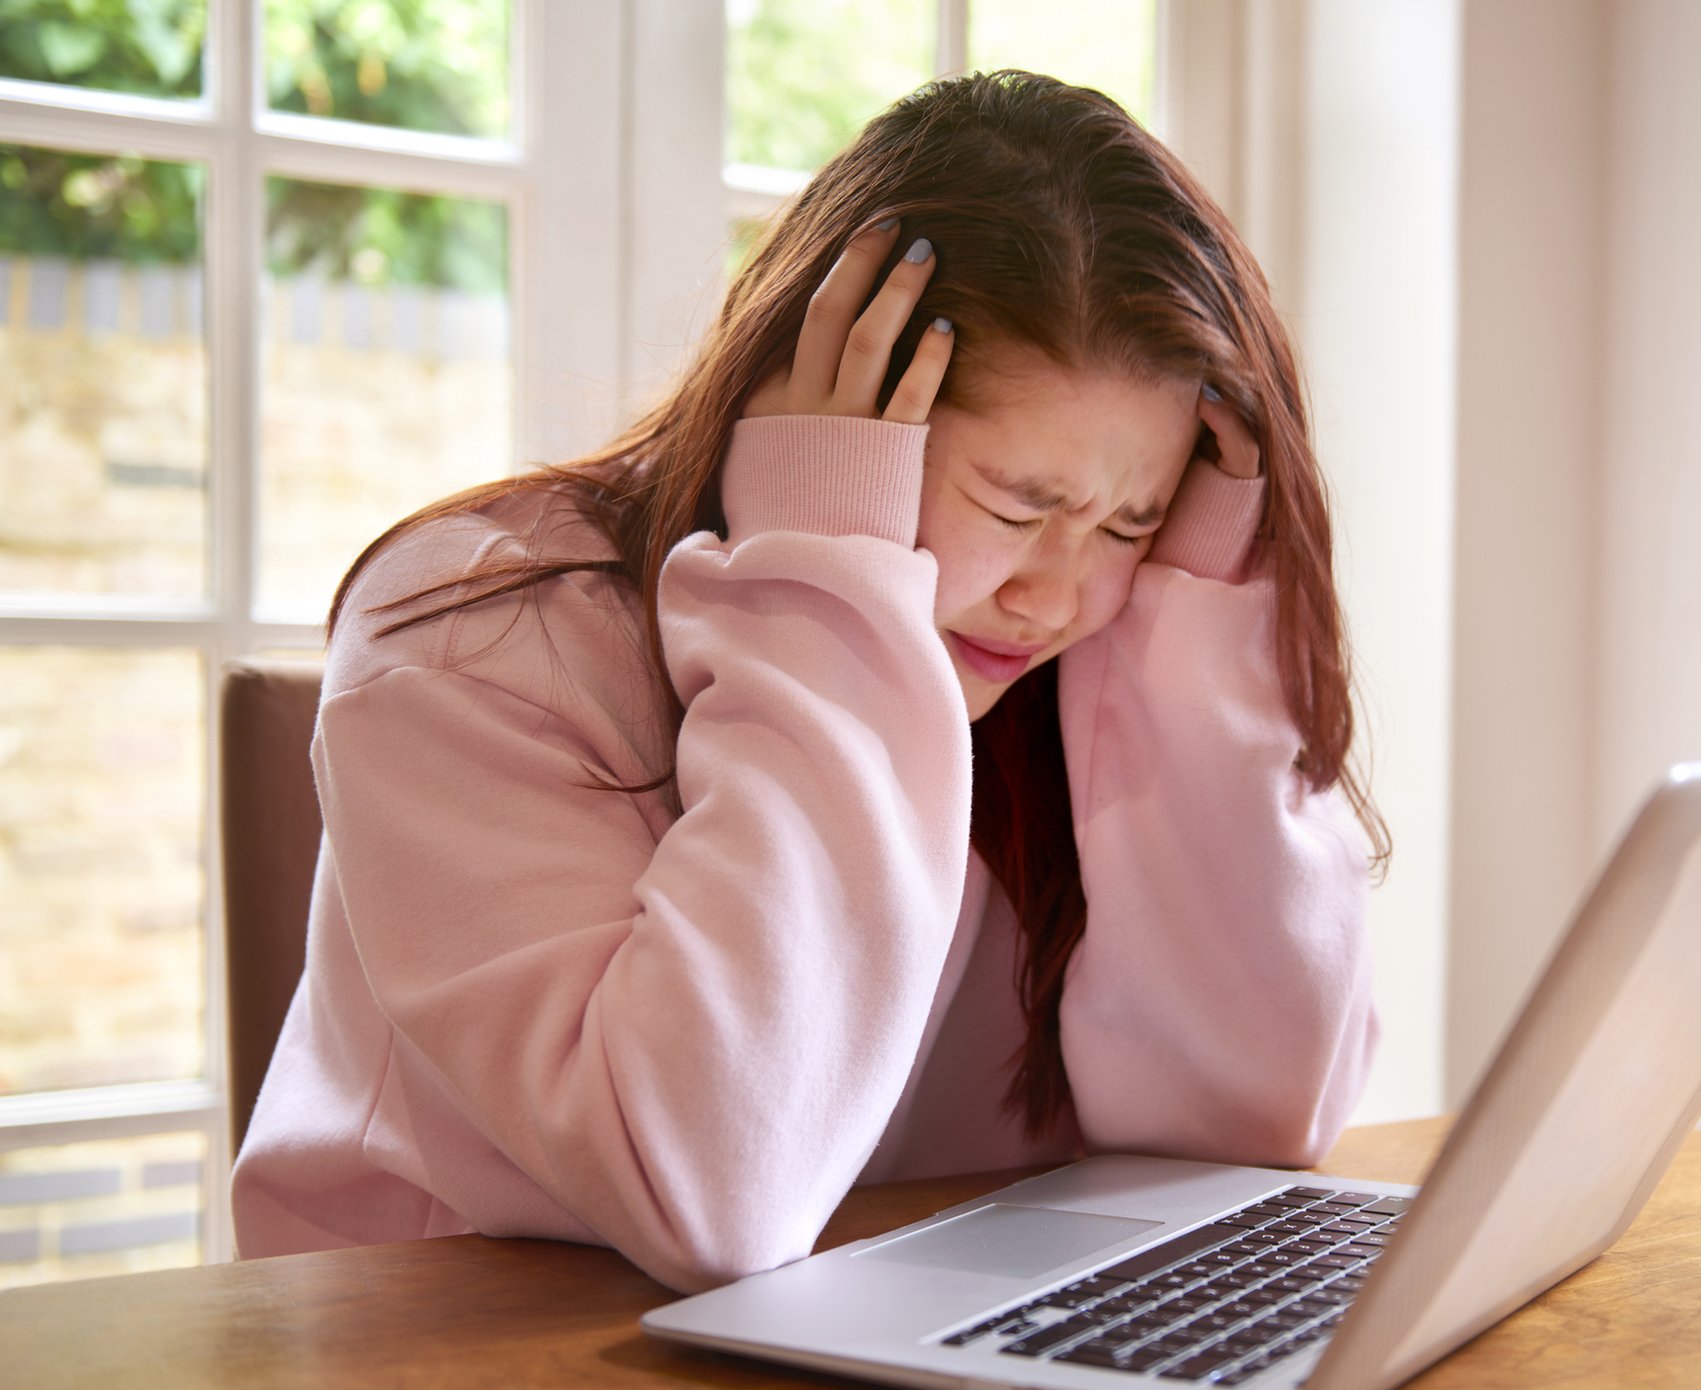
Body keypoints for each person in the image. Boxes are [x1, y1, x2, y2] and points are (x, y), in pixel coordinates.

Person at [231, 69, 1389, 1293]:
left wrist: (1192, 633)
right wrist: (826, 574)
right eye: (1015, 504)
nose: (1053, 597)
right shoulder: (477, 634)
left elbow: (1247, 1127)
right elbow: (704, 1188)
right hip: (458, 1375)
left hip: (892, 1351)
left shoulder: (1093, 652)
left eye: (1126, 524)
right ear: (823, 412)